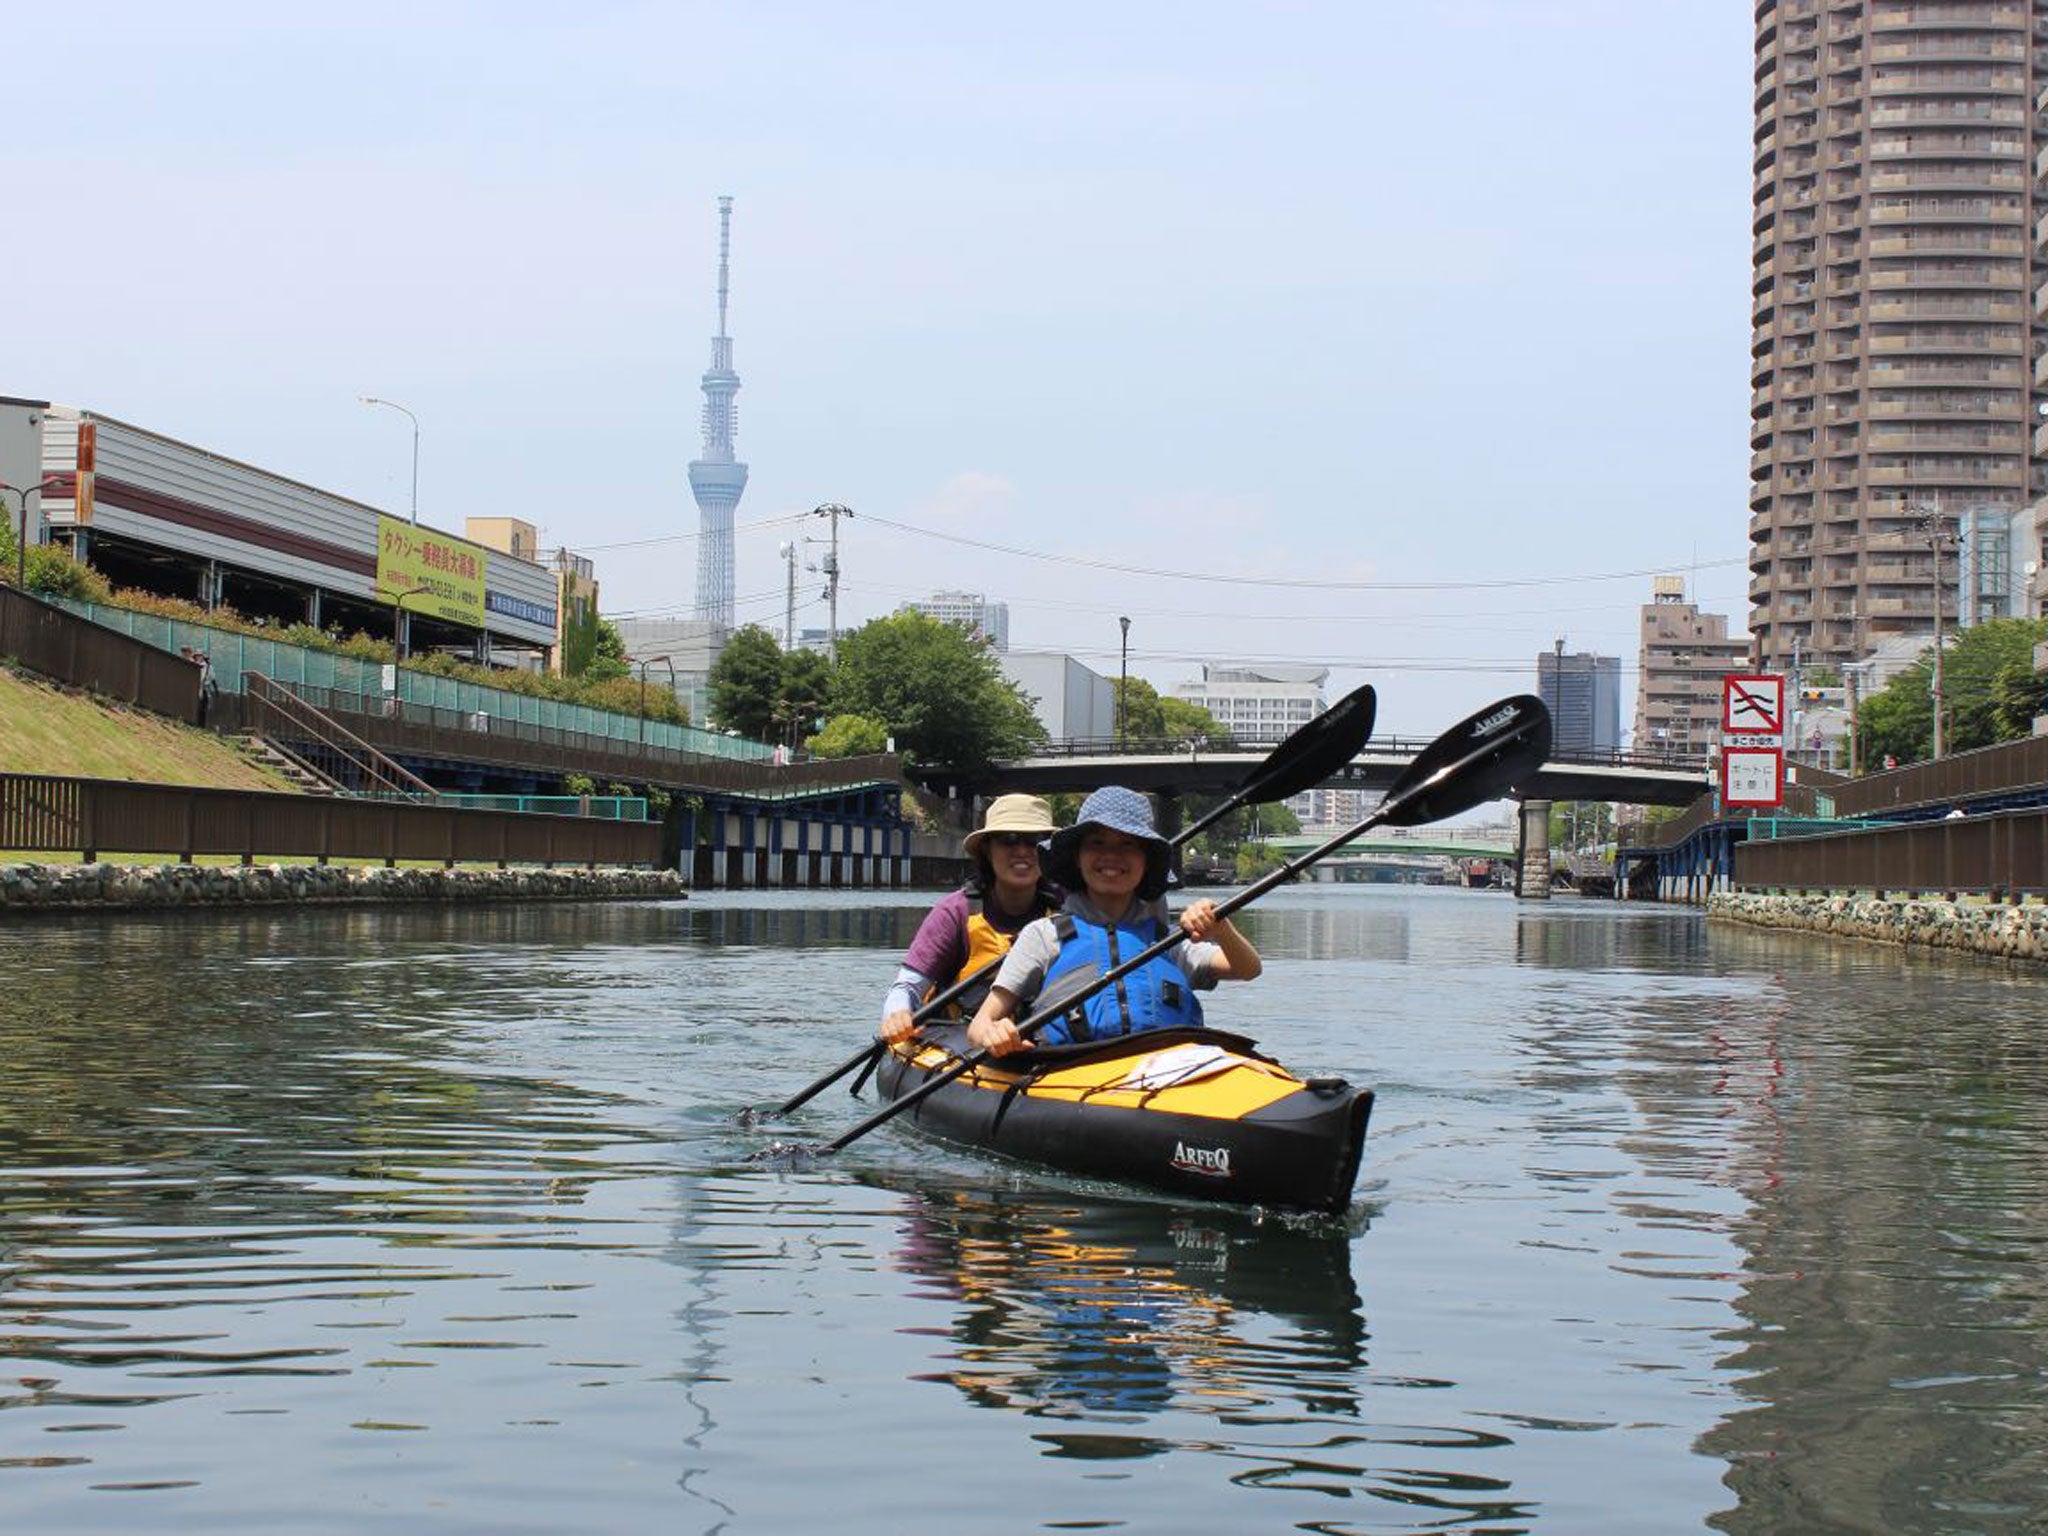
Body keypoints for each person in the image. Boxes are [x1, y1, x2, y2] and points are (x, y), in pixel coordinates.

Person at [968, 786, 1260, 1057]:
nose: (1111, 856)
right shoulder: (1043, 936)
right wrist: (994, 1034)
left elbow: (1248, 969)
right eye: (1097, 843)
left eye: (1127, 844)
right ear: (1078, 858)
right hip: (1071, 1076)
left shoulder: (1167, 941)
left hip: (1167, 1075)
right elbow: (979, 1025)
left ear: (1145, 862)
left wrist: (1221, 927)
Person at [877, 793, 1062, 1044]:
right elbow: (907, 987)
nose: (1022, 851)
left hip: (1040, 1044)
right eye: (1009, 840)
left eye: (1034, 841)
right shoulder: (955, 912)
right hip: (960, 1041)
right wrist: (898, 1014)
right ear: (987, 849)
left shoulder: (1067, 910)